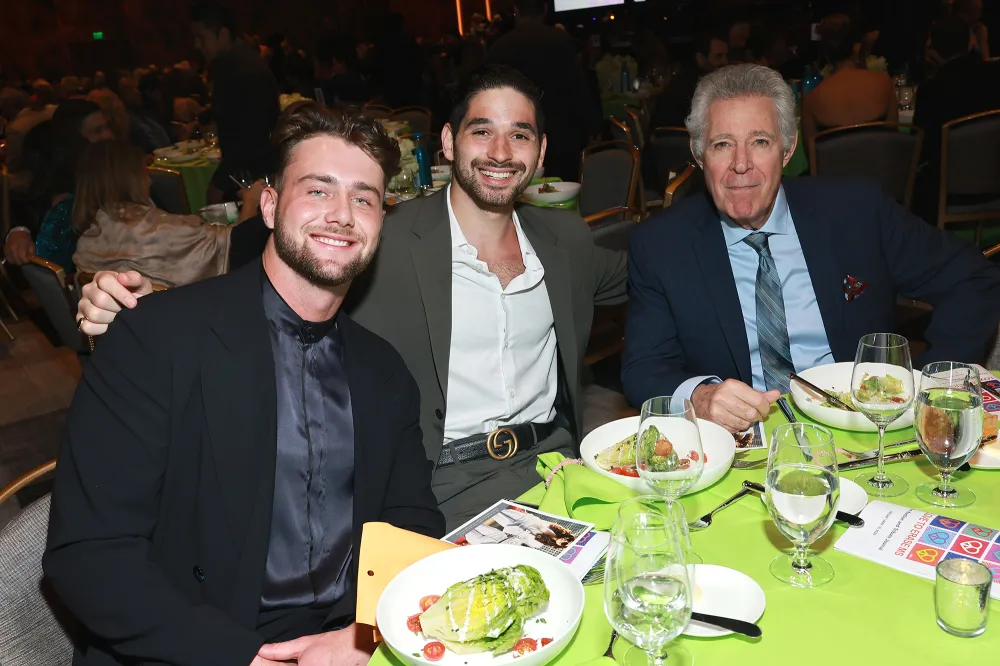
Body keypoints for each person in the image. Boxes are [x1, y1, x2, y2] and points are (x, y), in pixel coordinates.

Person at [75, 65, 628, 529]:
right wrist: (151, 302)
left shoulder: (566, 241)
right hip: (442, 486)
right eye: (482, 131)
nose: (501, 152)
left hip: (558, 465)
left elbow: (646, 272)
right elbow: (275, 289)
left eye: (521, 135)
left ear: (541, 151)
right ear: (447, 141)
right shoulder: (379, 240)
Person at [44, 104, 444, 666]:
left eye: (364, 198)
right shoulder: (159, 337)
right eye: (319, 190)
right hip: (194, 646)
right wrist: (243, 656)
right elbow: (89, 554)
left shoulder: (382, 371)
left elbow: (415, 521)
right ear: (272, 204)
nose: (342, 214)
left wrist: (367, 632)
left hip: (340, 643)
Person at [622, 64, 1000, 434]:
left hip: (865, 432)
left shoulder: (857, 211)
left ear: (787, 149)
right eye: (722, 144)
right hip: (745, 447)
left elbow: (972, 278)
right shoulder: (661, 246)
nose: (741, 165)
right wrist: (701, 398)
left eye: (760, 142)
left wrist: (925, 382)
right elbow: (644, 368)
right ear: (699, 153)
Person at [72, 139, 261, 286]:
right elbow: (232, 245)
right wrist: (251, 202)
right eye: (144, 174)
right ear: (129, 179)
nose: (150, 182)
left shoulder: (88, 238)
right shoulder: (152, 230)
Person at [488, 0, 601, 181]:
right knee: (564, 191)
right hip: (563, 132)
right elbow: (579, 87)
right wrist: (592, 124)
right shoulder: (564, 41)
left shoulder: (500, 47)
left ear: (516, 10)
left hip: (518, 134)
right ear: (545, 10)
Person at [4, 100, 113, 269]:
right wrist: (19, 231)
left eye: (107, 127)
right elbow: (32, 202)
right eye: (97, 131)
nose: (107, 135)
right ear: (74, 139)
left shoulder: (110, 162)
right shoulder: (62, 187)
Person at [912, 17, 1000, 221]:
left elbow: (921, 151)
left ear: (932, 49)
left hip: (949, 191)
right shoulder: (995, 76)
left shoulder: (931, 90)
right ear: (970, 43)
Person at [190, 2, 280, 201]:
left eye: (200, 37)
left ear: (222, 34)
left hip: (251, 180)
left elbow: (248, 137)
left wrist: (220, 184)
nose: (197, 45)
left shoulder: (240, 71)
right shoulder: (238, 63)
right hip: (251, 174)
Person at [801, 14, 897, 147]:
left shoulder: (811, 100)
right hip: (878, 166)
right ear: (857, 48)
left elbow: (812, 157)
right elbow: (894, 141)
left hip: (833, 168)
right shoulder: (884, 82)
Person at [647, 31, 729, 130]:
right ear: (700, 58)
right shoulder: (694, 86)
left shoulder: (694, 79)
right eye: (718, 56)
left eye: (726, 56)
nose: (725, 61)